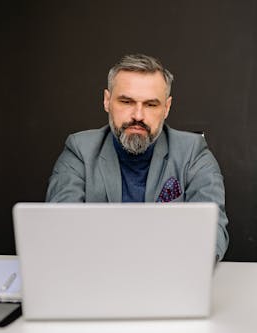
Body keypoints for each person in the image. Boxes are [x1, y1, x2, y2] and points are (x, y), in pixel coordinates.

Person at [46, 54, 229, 260]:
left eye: (151, 104)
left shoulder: (193, 152)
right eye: (126, 101)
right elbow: (61, 230)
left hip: (167, 277)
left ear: (166, 108)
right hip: (97, 277)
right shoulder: (80, 150)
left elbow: (212, 234)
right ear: (107, 101)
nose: (138, 116)